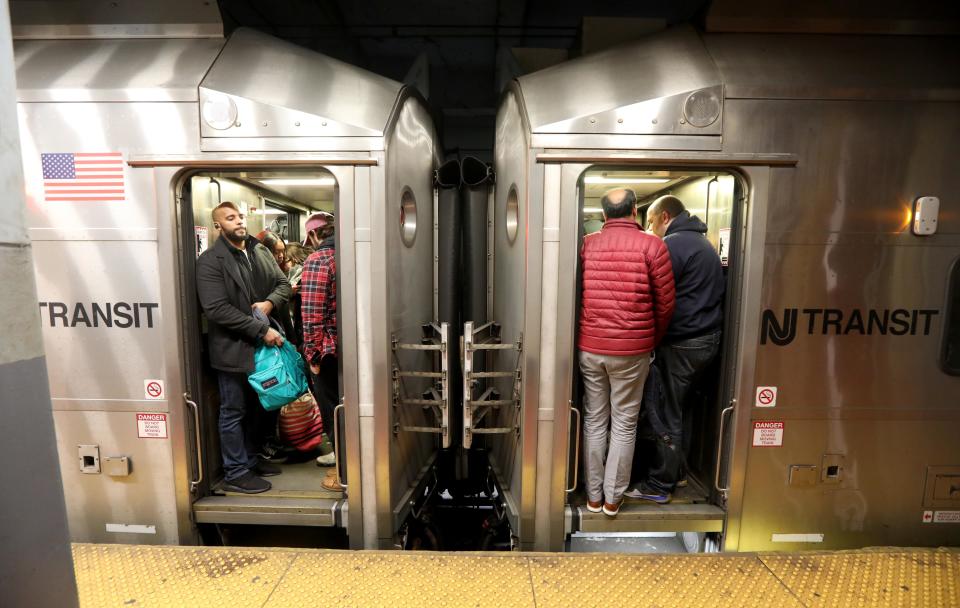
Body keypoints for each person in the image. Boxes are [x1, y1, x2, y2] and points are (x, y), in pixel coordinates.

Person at [578, 188, 675, 517]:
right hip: (632, 351)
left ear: (605, 215)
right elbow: (666, 305)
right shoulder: (653, 246)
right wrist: (649, 339)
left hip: (590, 347)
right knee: (624, 424)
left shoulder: (587, 245)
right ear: (634, 210)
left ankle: (592, 496)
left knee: (593, 419)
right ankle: (612, 499)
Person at [630, 194, 725, 503]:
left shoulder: (673, 246)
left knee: (664, 411)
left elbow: (656, 294)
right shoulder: (700, 241)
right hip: (704, 339)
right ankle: (678, 473)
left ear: (666, 217)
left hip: (684, 342)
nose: (650, 227)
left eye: (652, 221)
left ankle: (659, 485)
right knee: (678, 408)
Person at [196, 202, 292, 493]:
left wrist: (269, 303)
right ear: (217, 226)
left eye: (240, 216)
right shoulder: (211, 261)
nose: (239, 221)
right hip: (233, 349)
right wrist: (261, 329)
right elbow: (216, 309)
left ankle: (251, 458)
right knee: (233, 409)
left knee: (259, 406)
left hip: (263, 350)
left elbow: (283, 284)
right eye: (230, 218)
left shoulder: (259, 251)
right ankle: (236, 471)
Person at [301, 212, 342, 489]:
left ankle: (344, 473)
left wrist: (313, 355)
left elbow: (312, 313)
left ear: (316, 235)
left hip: (327, 351)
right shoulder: (350, 254)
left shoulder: (319, 259)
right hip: (350, 345)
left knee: (333, 410)